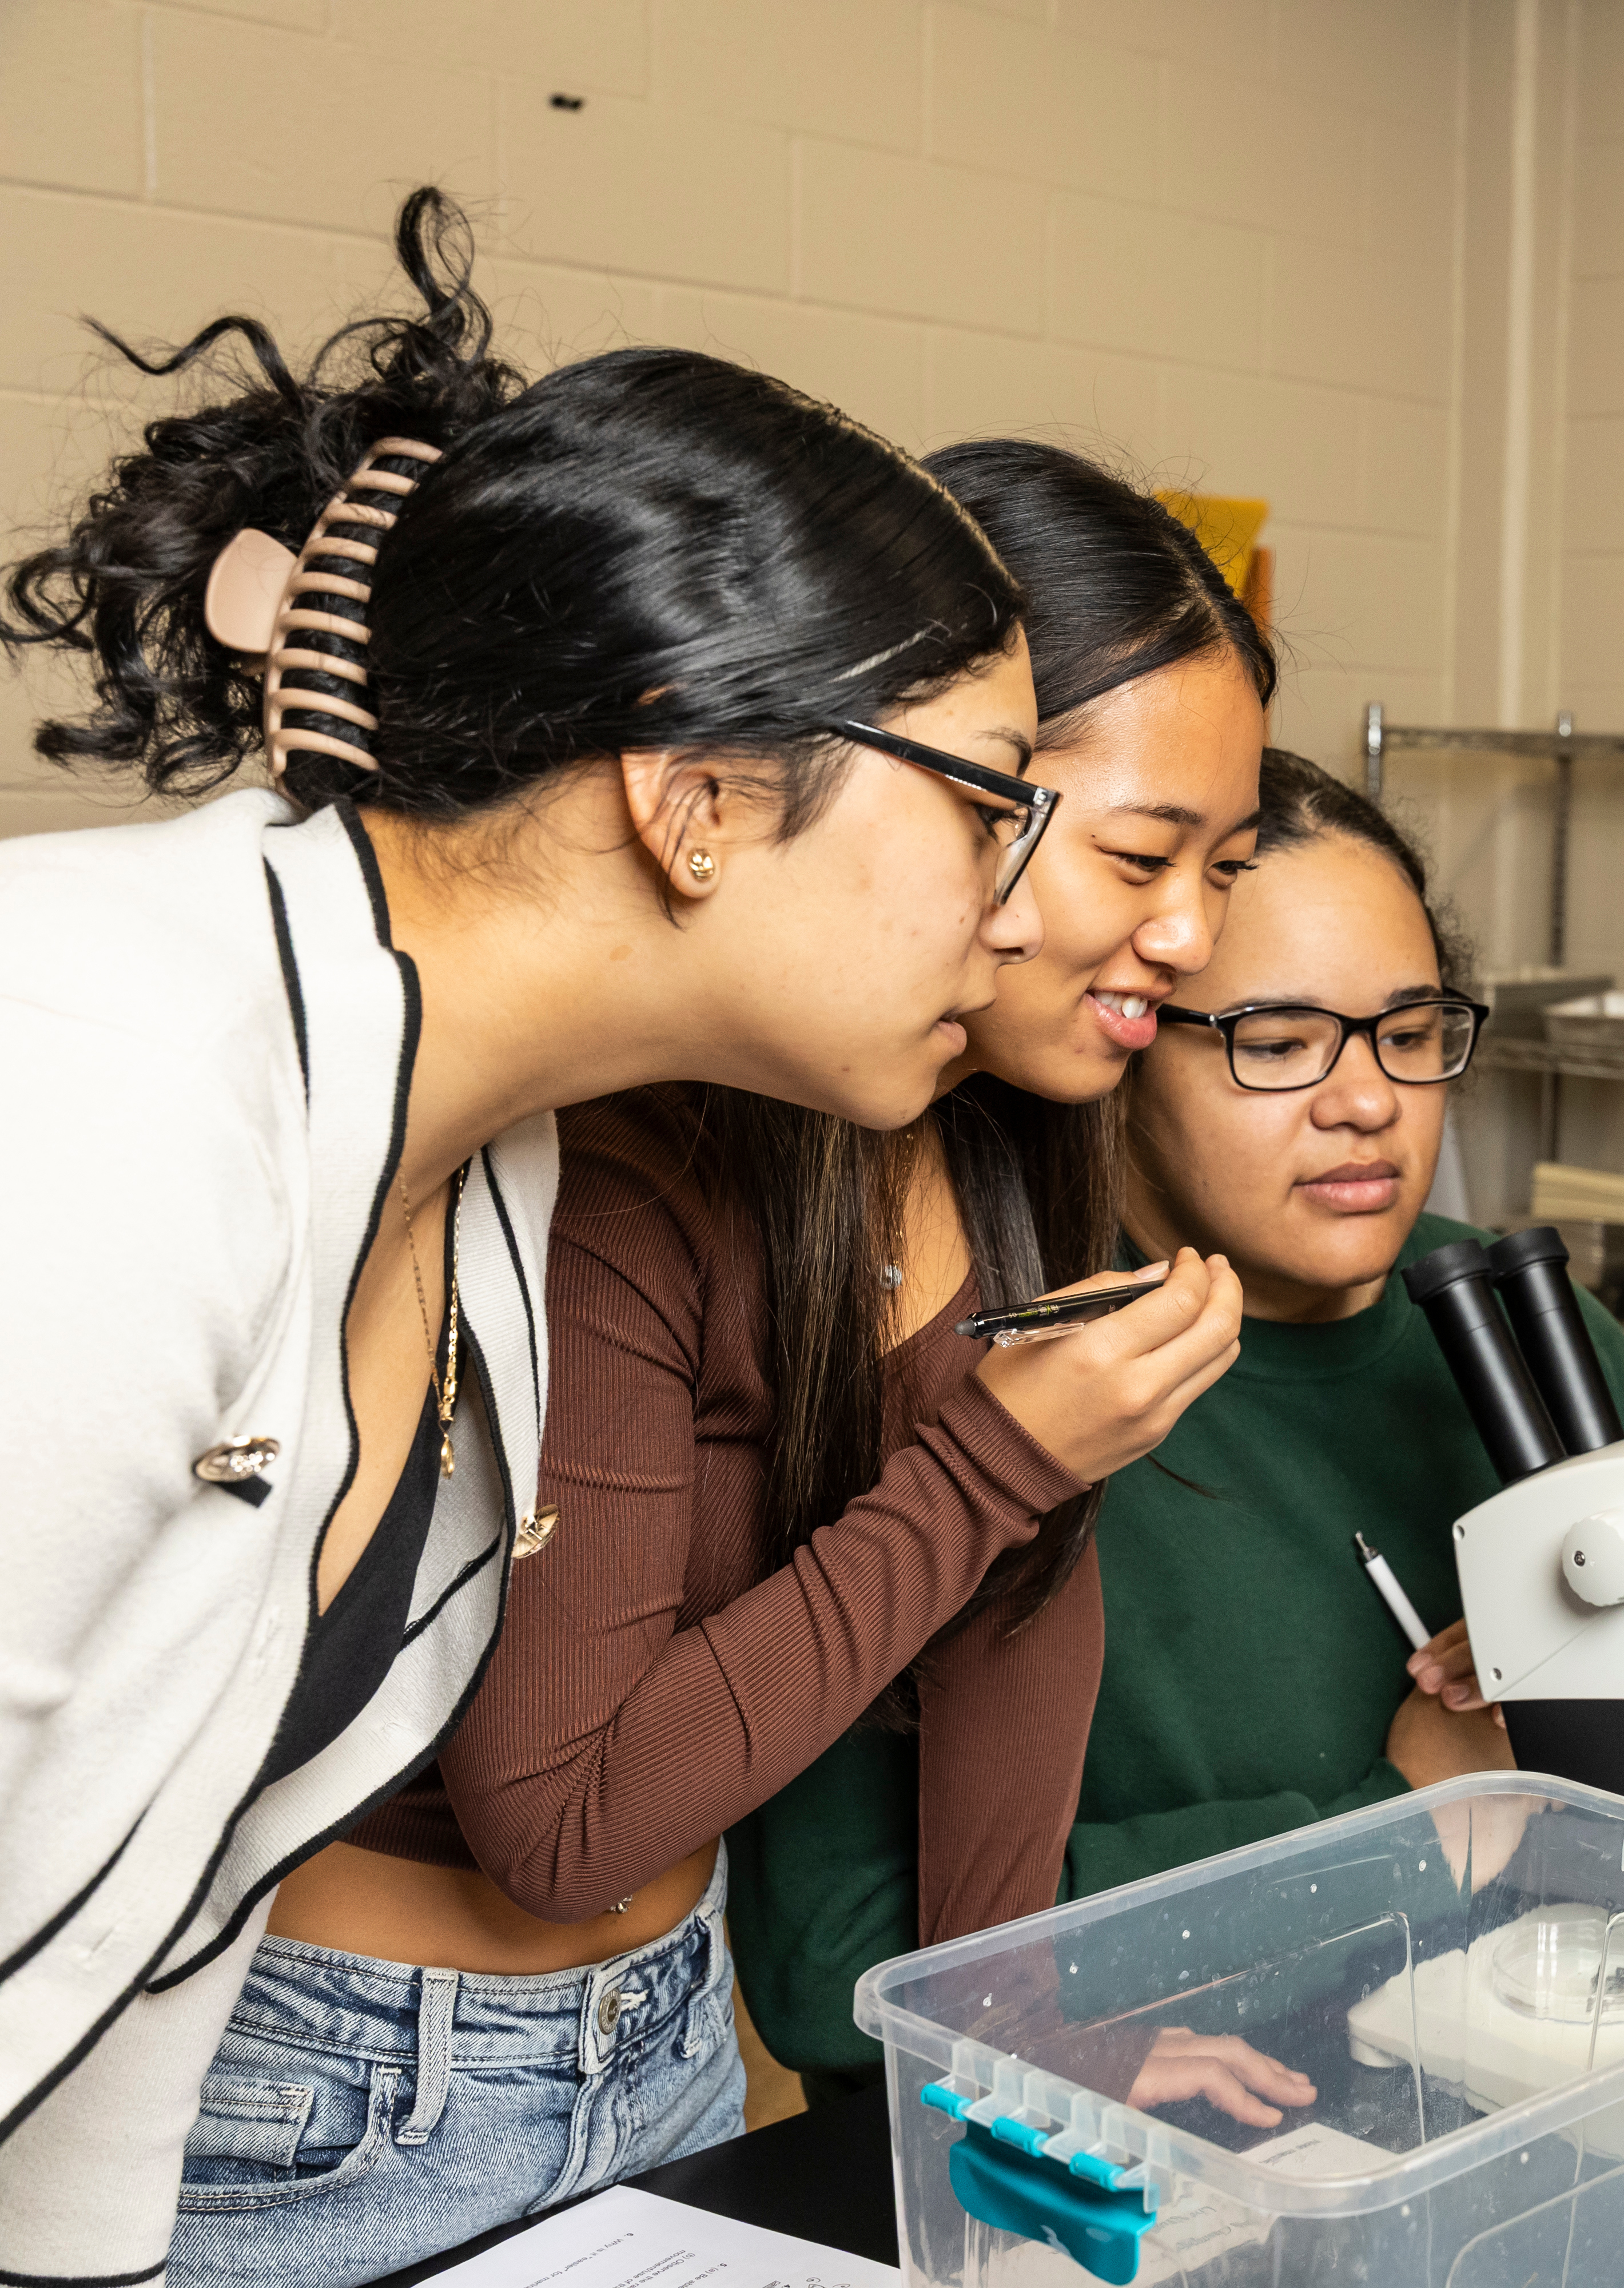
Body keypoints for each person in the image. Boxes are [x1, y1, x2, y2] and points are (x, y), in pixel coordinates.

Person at [0, 189, 1053, 2275]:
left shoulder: (493, 1168)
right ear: (700, 802)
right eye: (986, 804)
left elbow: (163, 1889)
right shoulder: (101, 1070)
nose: (1018, 912)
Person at [154, 443, 1275, 2281]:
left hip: (669, 2029)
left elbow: (1012, 1600)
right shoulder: (626, 1164)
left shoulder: (992, 1126)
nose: (1192, 934)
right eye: (1142, 852)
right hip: (357, 2084)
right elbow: (562, 1818)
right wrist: (998, 1458)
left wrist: (1019, 2043)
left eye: (1226, 865)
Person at [733, 749, 1624, 2092]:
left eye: (1410, 1033)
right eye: (1279, 1043)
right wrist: (1402, 1824)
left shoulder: (1532, 1330)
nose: (1368, 1100)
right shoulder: (978, 1391)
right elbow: (839, 1969)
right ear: (1126, 1039)